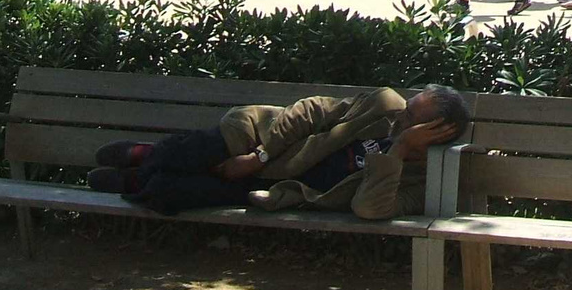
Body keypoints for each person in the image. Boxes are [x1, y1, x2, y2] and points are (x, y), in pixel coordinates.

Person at [85, 85, 470, 218]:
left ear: (434, 134)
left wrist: (399, 151)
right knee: (197, 151)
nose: (401, 117)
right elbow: (311, 110)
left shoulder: (420, 182)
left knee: (171, 193)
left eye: (411, 119)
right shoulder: (383, 105)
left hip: (278, 189)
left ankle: (140, 177)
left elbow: (369, 209)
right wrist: (258, 157)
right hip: (262, 142)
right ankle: (144, 156)